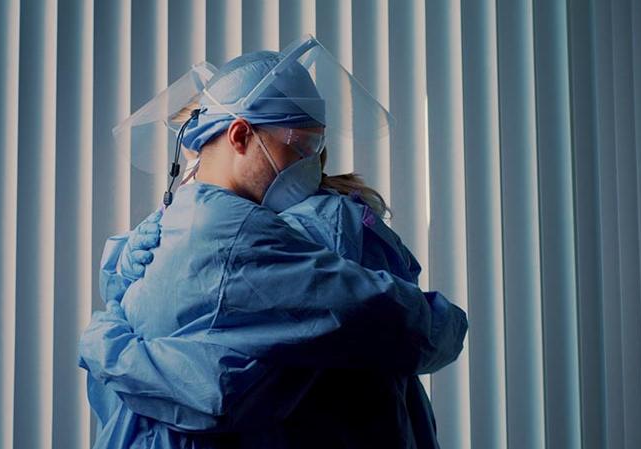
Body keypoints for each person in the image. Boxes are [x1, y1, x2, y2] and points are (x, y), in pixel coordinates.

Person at [79, 36, 468, 449]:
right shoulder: (235, 233)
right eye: (300, 146)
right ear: (240, 135)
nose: (311, 163)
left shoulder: (198, 228)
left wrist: (107, 345)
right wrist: (444, 320)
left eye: (317, 148)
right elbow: (225, 388)